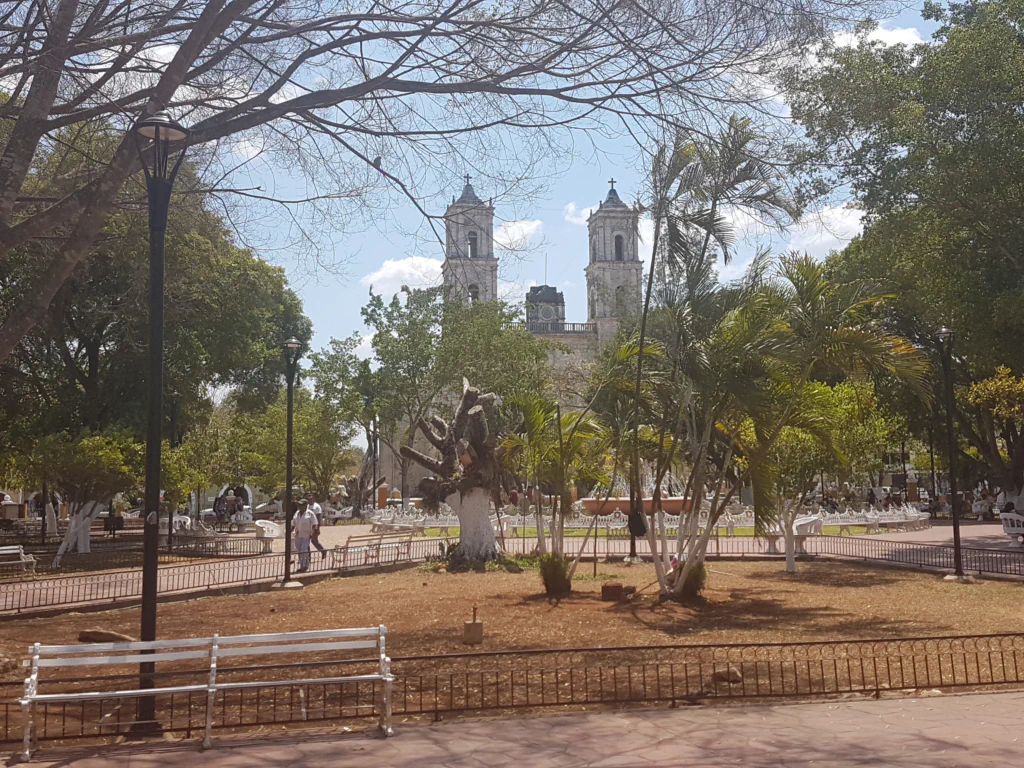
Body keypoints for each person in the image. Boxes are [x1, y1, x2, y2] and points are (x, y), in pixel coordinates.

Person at [291, 499, 317, 572]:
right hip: (298, 534)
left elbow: (314, 524)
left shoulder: (310, 513)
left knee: (303, 550)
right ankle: (302, 565)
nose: (300, 507)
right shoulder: (296, 513)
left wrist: (312, 533)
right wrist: (289, 531)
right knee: (299, 550)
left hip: (306, 534)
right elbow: (293, 524)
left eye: (302, 505)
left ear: (306, 505)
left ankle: (305, 565)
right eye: (299, 505)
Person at [308, 493, 327, 558]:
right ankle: (307, 556)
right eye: (309, 499)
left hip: (315, 526)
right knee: (306, 541)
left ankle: (323, 550)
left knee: (314, 540)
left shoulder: (316, 506)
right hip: (308, 526)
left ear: (313, 499)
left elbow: (318, 518)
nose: (310, 501)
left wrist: (318, 528)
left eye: (311, 499)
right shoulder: (307, 506)